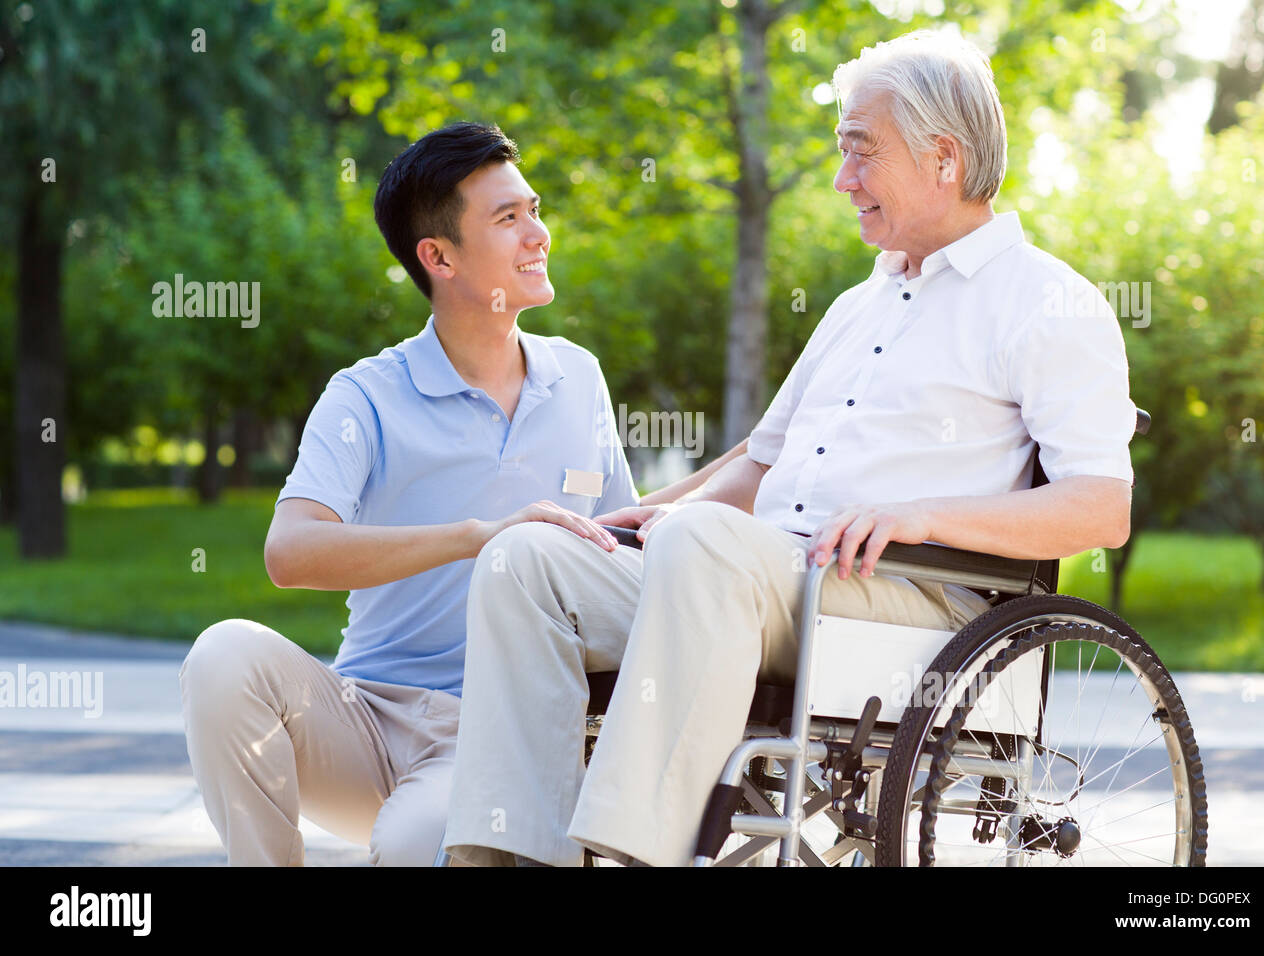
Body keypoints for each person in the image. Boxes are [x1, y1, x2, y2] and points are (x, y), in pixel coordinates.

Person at [444, 30, 1137, 867]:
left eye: (860, 153)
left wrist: (917, 512)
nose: (844, 179)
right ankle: (508, 858)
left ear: (943, 158)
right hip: (755, 579)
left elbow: (1102, 506)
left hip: (904, 601)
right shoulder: (859, 303)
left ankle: (637, 854)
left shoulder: (1047, 303)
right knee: (528, 560)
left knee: (702, 544)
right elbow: (761, 462)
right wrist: (651, 514)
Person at [179, 121, 744, 866]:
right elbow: (291, 551)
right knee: (222, 656)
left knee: (417, 843)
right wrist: (482, 536)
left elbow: (617, 539)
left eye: (534, 209)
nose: (538, 234)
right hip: (365, 719)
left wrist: (753, 457)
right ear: (438, 256)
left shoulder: (579, 378)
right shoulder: (365, 397)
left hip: (504, 730)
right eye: (508, 219)